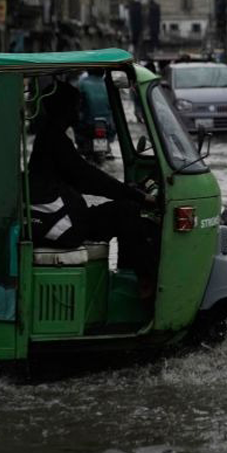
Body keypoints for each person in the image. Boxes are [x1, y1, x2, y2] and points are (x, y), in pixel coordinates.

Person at [29, 81, 159, 299]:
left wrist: (128, 191)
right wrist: (137, 195)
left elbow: (86, 177)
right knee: (126, 212)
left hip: (62, 215)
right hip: (62, 223)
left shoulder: (51, 136)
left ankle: (128, 277)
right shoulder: (54, 139)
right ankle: (147, 280)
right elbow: (89, 178)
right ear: (64, 108)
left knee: (122, 210)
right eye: (76, 105)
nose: (79, 111)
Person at [76, 69, 116, 146]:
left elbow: (78, 102)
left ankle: (81, 145)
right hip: (108, 123)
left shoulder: (82, 83)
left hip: (88, 121)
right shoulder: (108, 84)